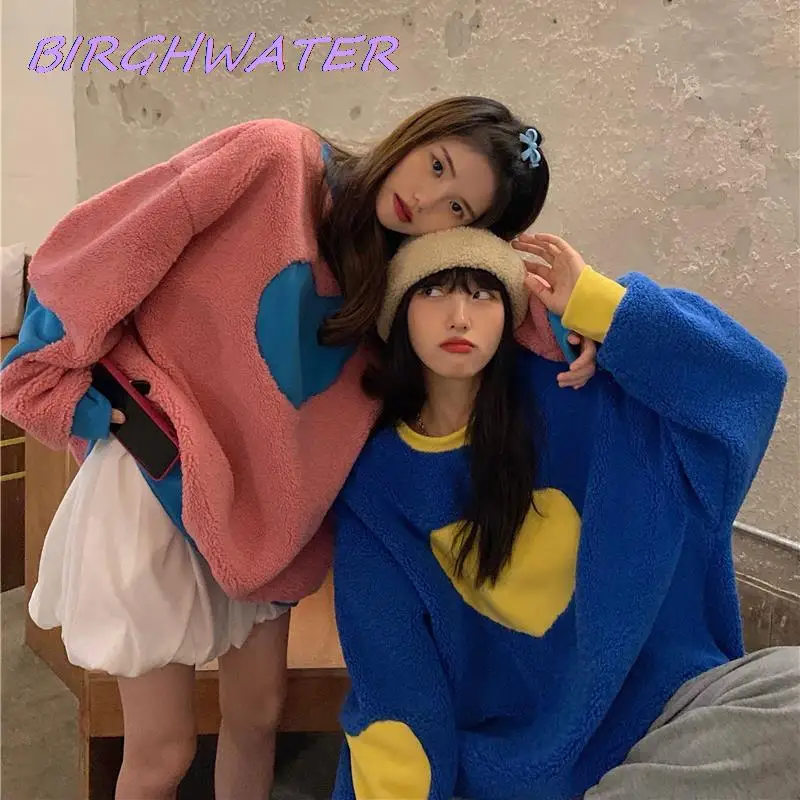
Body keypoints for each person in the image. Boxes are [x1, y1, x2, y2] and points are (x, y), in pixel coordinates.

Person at [0, 96, 597, 800]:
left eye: (458, 208)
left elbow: (494, 312)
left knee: (259, 717)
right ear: (419, 134)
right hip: (157, 475)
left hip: (266, 516)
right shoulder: (274, 159)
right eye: (437, 165)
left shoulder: (398, 278)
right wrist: (55, 380)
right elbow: (112, 245)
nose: (425, 200)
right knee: (162, 753)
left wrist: (580, 318)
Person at [330, 225, 797, 800]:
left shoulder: (582, 392)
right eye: (432, 291)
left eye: (482, 293)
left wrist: (603, 307)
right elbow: (393, 688)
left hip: (674, 718)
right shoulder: (379, 487)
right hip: (525, 773)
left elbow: (748, 385)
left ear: (510, 311)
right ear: (398, 312)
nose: (459, 316)